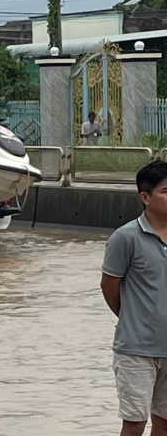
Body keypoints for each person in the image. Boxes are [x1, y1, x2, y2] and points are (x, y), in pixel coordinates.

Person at [101, 161, 167, 436]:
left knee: (164, 422)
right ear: (145, 197)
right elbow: (109, 286)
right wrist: (132, 318)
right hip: (136, 349)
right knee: (135, 423)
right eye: (166, 191)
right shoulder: (125, 238)